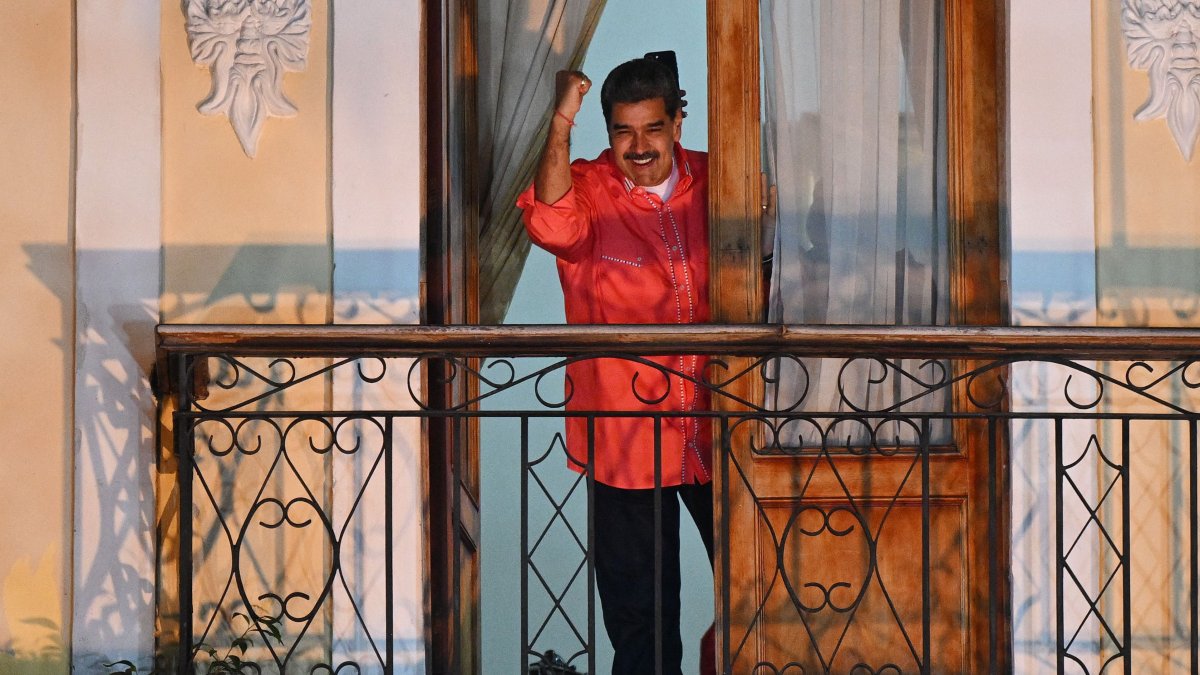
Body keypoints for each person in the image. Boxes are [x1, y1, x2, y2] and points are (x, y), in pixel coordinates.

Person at [517, 57, 715, 675]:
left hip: (722, 427)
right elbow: (551, 226)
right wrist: (559, 121)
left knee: (768, 590)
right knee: (641, 626)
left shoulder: (718, 178)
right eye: (624, 132)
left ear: (677, 124)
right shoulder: (587, 187)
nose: (638, 146)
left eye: (652, 129)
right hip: (626, 440)